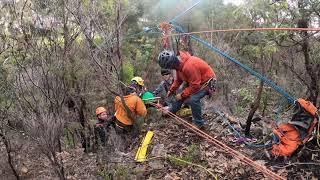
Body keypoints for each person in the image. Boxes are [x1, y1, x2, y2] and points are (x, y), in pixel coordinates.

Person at [158, 50, 217, 128]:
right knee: (180, 95)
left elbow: (195, 86)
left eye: (169, 67)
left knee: (193, 99)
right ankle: (171, 110)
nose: (170, 68)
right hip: (196, 81)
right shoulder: (179, 65)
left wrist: (182, 95)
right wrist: (171, 90)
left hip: (208, 82)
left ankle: (199, 124)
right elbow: (178, 80)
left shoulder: (189, 66)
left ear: (171, 64)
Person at [113, 83, 147, 151]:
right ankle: (129, 148)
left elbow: (116, 109)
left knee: (120, 140)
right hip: (128, 125)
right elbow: (143, 113)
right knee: (130, 139)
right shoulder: (136, 99)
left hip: (117, 123)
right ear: (131, 92)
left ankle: (120, 150)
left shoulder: (117, 98)